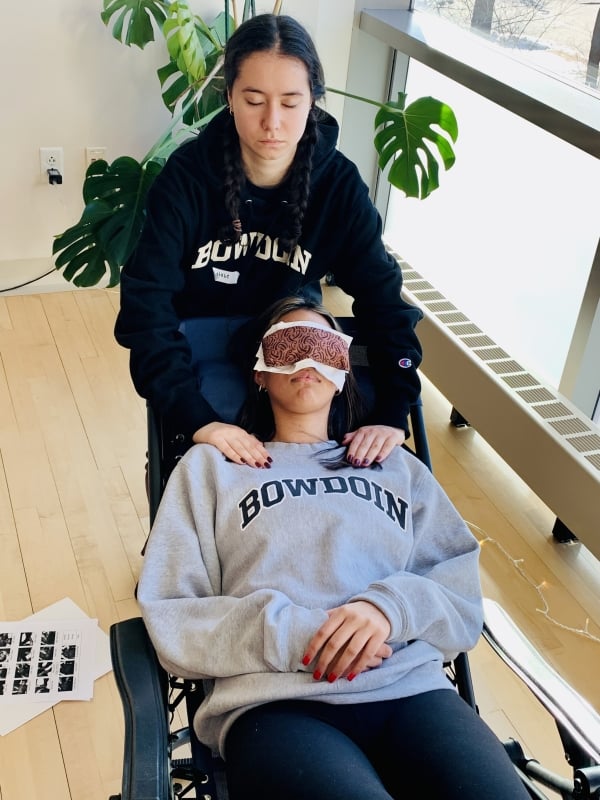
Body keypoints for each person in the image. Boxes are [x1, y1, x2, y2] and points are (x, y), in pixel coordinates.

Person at [137, 296, 530, 800]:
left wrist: (389, 609)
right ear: (260, 370)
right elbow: (173, 614)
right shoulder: (209, 470)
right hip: (274, 703)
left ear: (343, 371)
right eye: (288, 345)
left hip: (409, 688)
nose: (307, 361)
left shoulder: (397, 468)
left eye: (324, 348)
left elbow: (458, 595)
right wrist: (300, 632)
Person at [114, 13, 423, 471]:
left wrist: (394, 414)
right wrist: (199, 421)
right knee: (211, 468)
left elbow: (384, 301)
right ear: (231, 98)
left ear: (315, 102)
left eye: (292, 102)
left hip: (293, 336)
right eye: (254, 100)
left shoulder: (338, 186)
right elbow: (146, 311)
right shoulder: (186, 180)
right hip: (202, 342)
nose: (272, 123)